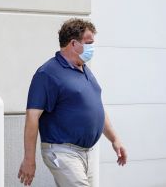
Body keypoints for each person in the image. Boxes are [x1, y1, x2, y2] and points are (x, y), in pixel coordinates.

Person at [18, 18, 127, 187]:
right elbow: (32, 117)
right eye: (89, 43)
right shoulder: (47, 73)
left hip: (88, 153)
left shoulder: (85, 70)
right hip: (62, 152)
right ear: (74, 44)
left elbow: (96, 108)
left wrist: (115, 139)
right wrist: (29, 159)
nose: (92, 47)